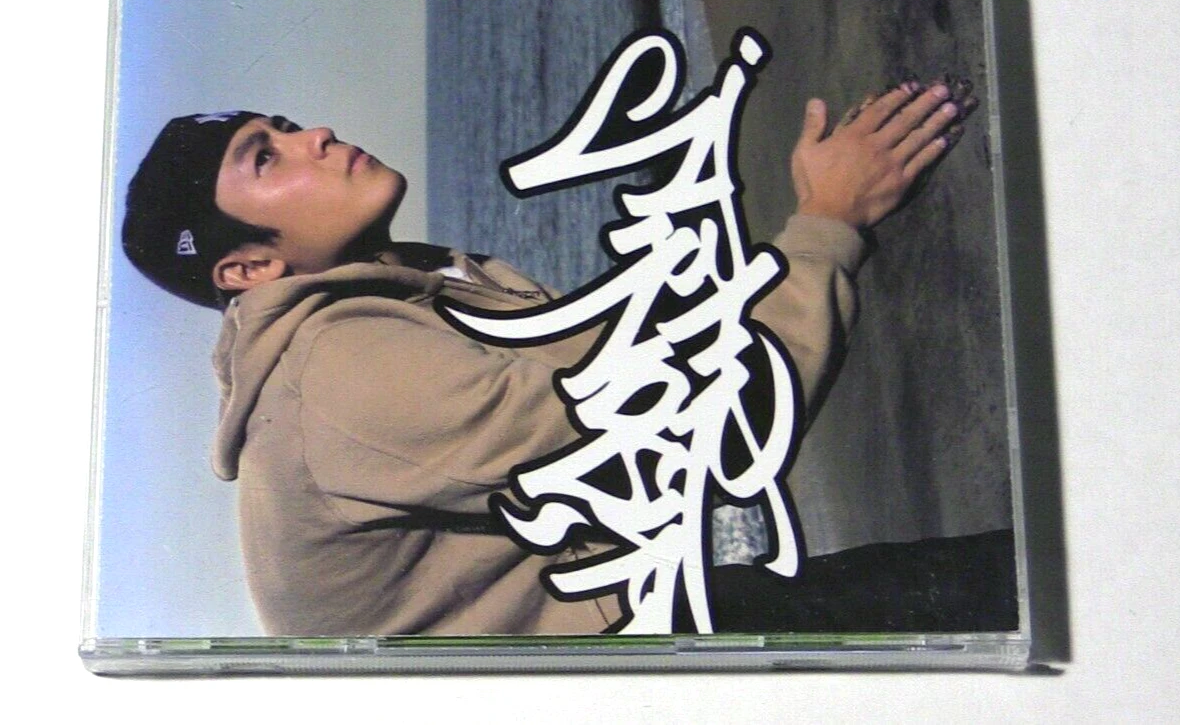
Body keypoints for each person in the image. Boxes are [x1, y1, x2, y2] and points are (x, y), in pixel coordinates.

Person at [122, 81, 995, 636]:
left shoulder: (409, 283)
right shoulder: (338, 377)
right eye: (266, 158)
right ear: (249, 270)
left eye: (282, 125)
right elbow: (703, 433)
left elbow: (626, 360)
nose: (314, 132)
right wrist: (829, 220)